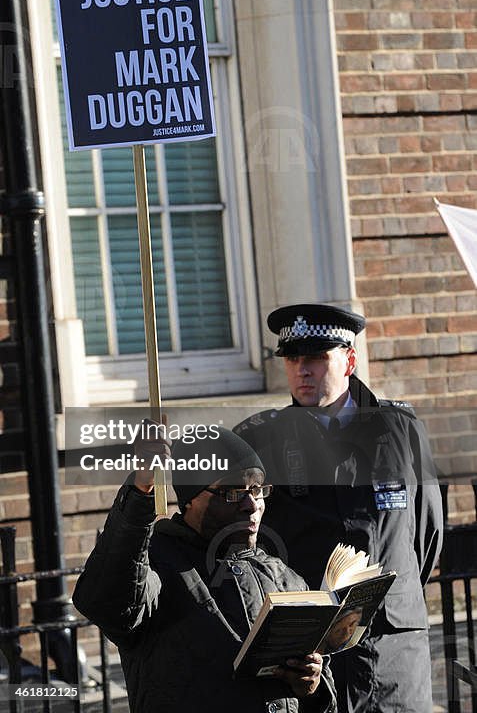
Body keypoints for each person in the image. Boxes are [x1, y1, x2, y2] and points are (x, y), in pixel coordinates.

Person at [234, 303, 444, 713]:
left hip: (393, 652)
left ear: (349, 360)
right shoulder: (261, 439)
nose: (302, 370)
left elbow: (427, 534)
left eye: (316, 357)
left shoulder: (400, 429)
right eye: (293, 359)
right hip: (308, 661)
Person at [73, 426, 337, 713]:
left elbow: (320, 695)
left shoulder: (284, 577)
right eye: (232, 492)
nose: (251, 505)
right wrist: (140, 489)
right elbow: (108, 602)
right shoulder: (158, 564)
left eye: (257, 489)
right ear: (191, 501)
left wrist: (313, 687)